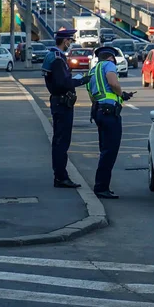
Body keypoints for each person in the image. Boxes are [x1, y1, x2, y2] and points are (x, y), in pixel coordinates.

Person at [42, 28, 91, 188]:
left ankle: (61, 175)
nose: (70, 43)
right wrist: (81, 81)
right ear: (65, 41)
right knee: (62, 142)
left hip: (59, 102)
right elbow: (62, 83)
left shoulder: (53, 56)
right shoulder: (58, 59)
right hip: (62, 103)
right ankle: (61, 177)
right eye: (69, 40)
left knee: (59, 141)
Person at [86, 46, 135, 199]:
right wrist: (122, 94)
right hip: (109, 113)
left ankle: (102, 185)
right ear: (111, 58)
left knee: (104, 150)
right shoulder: (109, 65)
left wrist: (121, 96)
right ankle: (101, 187)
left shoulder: (92, 71)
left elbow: (93, 96)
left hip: (99, 111)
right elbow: (113, 83)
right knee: (110, 151)